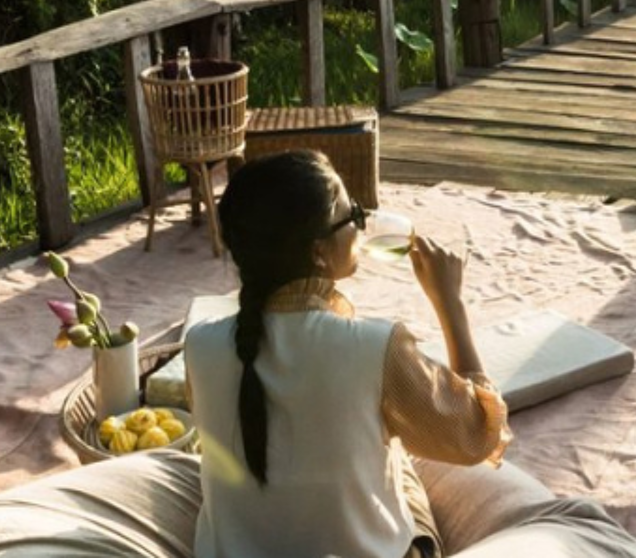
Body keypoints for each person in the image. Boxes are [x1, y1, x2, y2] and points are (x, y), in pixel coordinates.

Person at [187, 150, 510, 558]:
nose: (361, 225)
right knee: (406, 460)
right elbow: (477, 435)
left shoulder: (198, 344)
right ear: (318, 252)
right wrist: (450, 303)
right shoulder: (377, 347)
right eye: (350, 215)